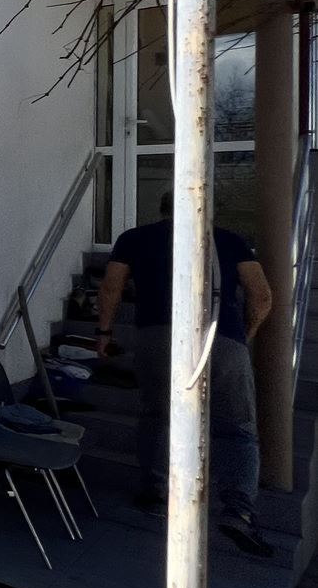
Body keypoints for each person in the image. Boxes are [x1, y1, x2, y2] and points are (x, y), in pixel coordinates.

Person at [97, 190, 275, 557]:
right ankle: (239, 510)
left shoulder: (133, 238)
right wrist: (242, 336)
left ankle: (156, 493)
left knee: (158, 416)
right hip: (220, 336)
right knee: (236, 428)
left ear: (161, 209)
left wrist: (104, 333)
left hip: (157, 337)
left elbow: (111, 287)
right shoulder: (229, 240)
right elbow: (261, 297)